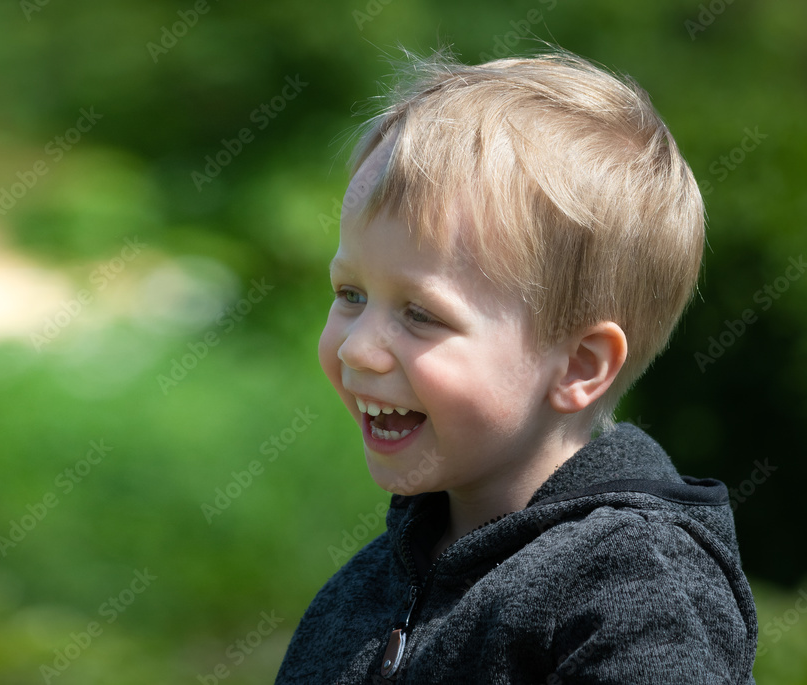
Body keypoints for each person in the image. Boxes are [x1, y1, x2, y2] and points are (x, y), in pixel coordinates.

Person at [275, 49, 757, 684]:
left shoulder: (632, 583)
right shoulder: (363, 592)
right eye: (351, 295)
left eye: (420, 314)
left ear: (579, 365)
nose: (356, 348)